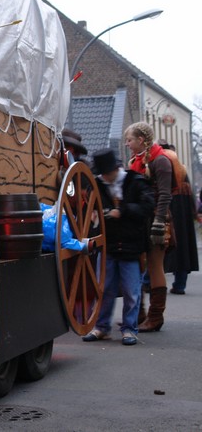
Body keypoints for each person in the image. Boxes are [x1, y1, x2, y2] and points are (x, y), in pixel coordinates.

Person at [82, 148, 154, 345]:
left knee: (131, 291)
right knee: (104, 289)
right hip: (108, 245)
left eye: (105, 173)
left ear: (114, 170)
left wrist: (122, 211)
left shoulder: (136, 182)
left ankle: (129, 329)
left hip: (131, 244)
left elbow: (148, 207)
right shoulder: (98, 185)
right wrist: (95, 215)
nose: (103, 177)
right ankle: (101, 327)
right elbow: (90, 206)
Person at [124, 122, 172, 331]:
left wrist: (159, 222)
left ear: (141, 140)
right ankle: (139, 314)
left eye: (129, 140)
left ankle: (155, 317)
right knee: (138, 266)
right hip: (140, 220)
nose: (127, 144)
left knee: (154, 266)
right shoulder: (134, 162)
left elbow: (165, 195)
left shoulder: (161, 161)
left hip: (156, 219)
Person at [156, 140, 199, 294]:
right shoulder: (181, 171)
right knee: (182, 250)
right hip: (182, 217)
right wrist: (194, 214)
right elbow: (190, 198)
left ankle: (150, 283)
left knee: (156, 248)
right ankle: (179, 284)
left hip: (165, 214)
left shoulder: (160, 168)